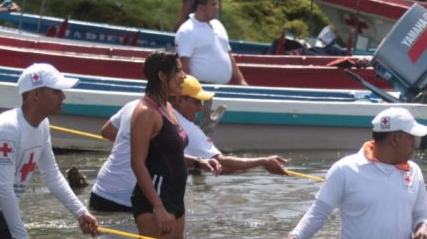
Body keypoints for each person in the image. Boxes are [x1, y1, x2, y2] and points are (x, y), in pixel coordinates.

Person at [90, 76, 287, 213]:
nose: (201, 108)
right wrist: (262, 162)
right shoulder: (187, 129)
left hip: (99, 194)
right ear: (178, 99)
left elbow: (106, 130)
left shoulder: (137, 105)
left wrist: (143, 148)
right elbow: (222, 165)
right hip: (127, 203)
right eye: (195, 102)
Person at [265, 107, 427, 239]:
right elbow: (317, 214)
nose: (414, 143)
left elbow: (421, 216)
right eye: (411, 137)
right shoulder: (344, 169)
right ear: (395, 138)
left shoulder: (414, 171)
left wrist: (424, 229)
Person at [0, 63, 99, 239]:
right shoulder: (8, 128)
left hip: (2, 215)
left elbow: (52, 175)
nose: (63, 97)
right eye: (56, 91)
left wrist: (80, 212)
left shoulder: (42, 124)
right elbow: (3, 189)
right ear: (36, 94)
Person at [130, 50, 189, 239]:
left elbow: (170, 154)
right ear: (162, 76)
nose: (184, 76)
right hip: (156, 202)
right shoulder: (146, 112)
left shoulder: (167, 106)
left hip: (175, 197)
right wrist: (159, 207)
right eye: (179, 71)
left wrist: (199, 162)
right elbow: (137, 163)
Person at [175, 0, 246, 85]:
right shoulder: (187, 30)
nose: (216, 8)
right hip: (201, 88)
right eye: (213, 5)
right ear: (201, 7)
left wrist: (241, 80)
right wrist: (190, 90)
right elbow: (183, 64)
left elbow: (228, 55)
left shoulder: (218, 25)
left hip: (223, 87)